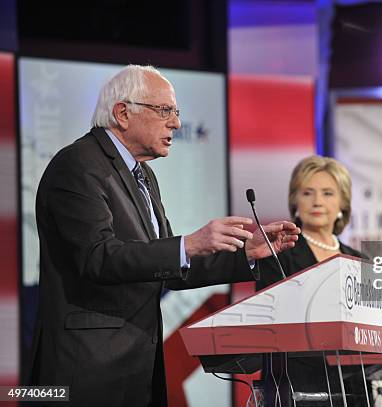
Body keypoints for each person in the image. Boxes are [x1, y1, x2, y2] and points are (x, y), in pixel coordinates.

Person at [28, 64, 300, 407]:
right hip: (87, 372)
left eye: (176, 112)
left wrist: (244, 253)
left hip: (136, 368)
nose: (176, 122)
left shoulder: (142, 176)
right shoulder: (78, 166)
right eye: (164, 111)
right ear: (123, 113)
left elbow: (172, 268)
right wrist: (187, 245)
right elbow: (97, 257)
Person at [256, 155, 368, 406]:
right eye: (308, 193)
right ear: (295, 200)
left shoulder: (361, 261)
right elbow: (269, 324)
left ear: (343, 203)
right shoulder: (278, 255)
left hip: (353, 387)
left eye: (328, 193)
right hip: (296, 386)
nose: (317, 201)